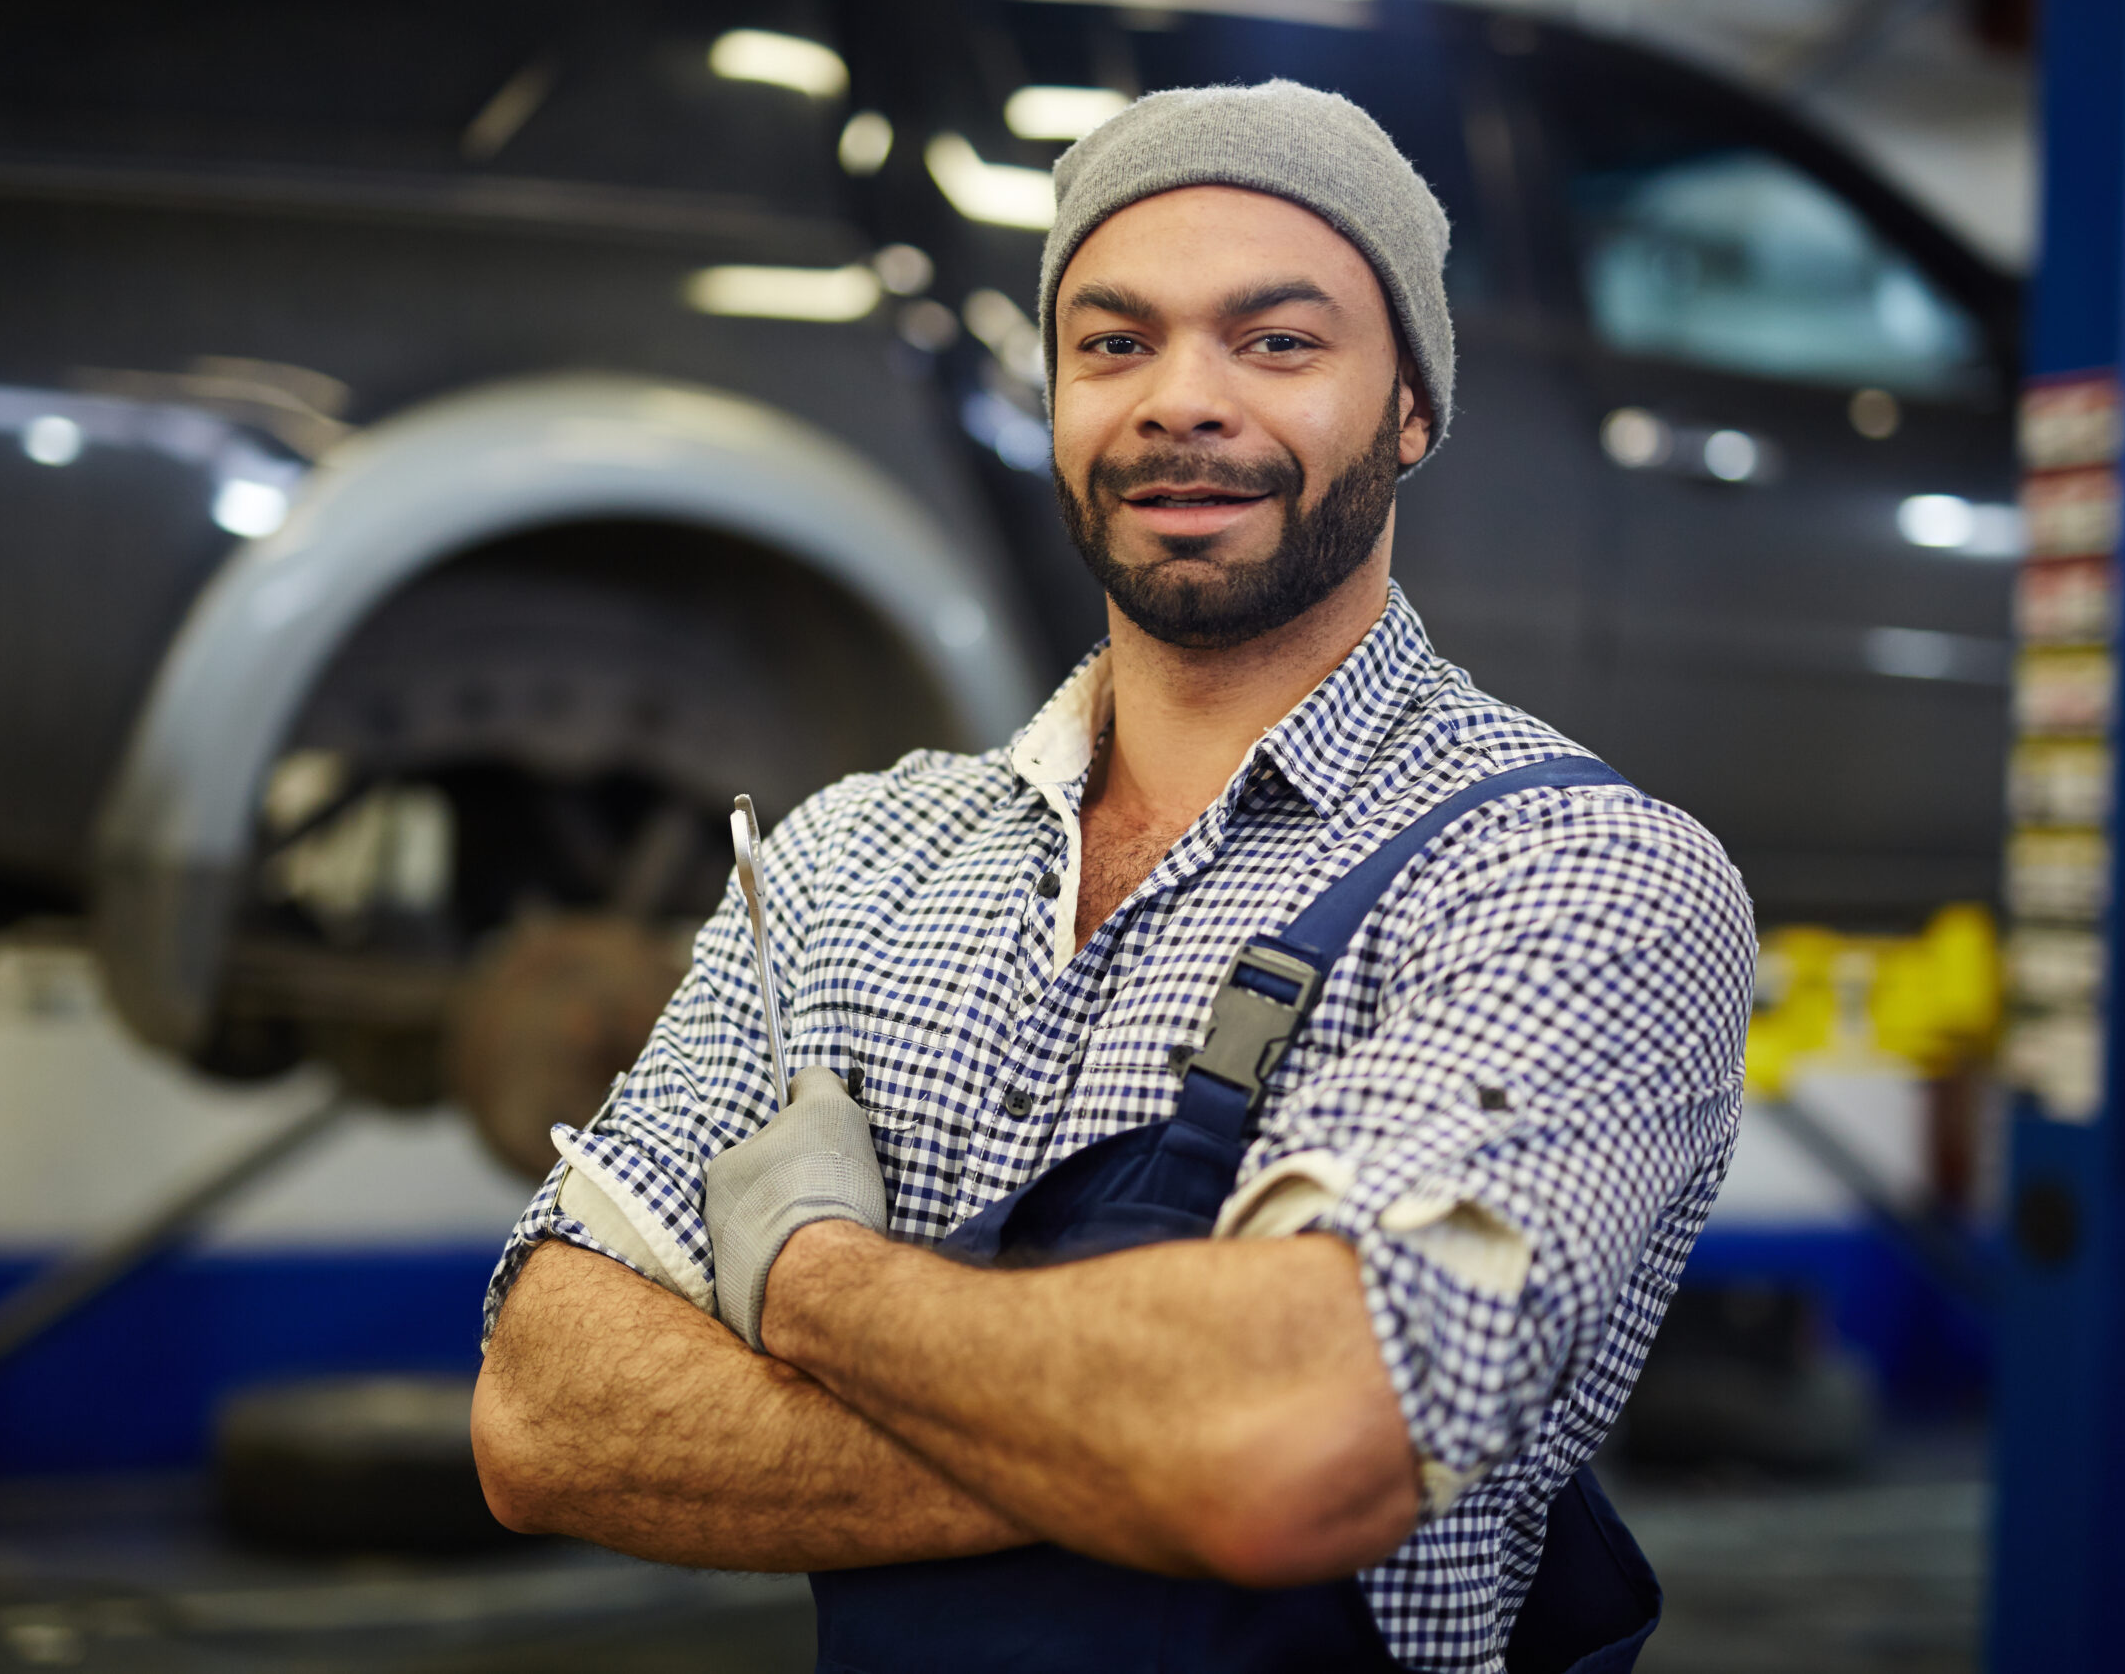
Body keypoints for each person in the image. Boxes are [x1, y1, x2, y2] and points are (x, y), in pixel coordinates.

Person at [471, 81, 1754, 1674]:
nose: (1180, 402)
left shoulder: (1571, 875)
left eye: (1277, 342)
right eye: (1114, 342)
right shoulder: (852, 864)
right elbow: (544, 1415)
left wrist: (805, 1277)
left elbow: (1285, 1448)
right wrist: (1137, 1443)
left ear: (1412, 409)